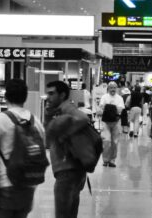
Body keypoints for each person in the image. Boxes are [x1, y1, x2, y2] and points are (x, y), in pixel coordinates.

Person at [0, 79, 46, 218]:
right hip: (28, 186)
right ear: (25, 97)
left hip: (5, 186)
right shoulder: (36, 121)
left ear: (6, 96)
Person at [44, 80, 89, 218]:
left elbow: (84, 118)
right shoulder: (57, 112)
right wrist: (48, 118)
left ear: (62, 95)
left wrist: (64, 133)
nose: (48, 97)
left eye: (52, 93)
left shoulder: (66, 108)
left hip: (67, 172)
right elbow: (47, 142)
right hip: (73, 171)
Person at [98, 82, 125, 167]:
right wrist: (113, 108)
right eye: (111, 88)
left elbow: (120, 109)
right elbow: (102, 107)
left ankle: (112, 160)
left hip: (116, 122)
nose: (113, 89)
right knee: (106, 141)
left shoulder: (120, 98)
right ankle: (105, 160)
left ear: (116, 88)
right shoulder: (104, 97)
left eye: (114, 88)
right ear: (108, 89)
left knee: (115, 142)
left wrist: (109, 108)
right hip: (105, 122)